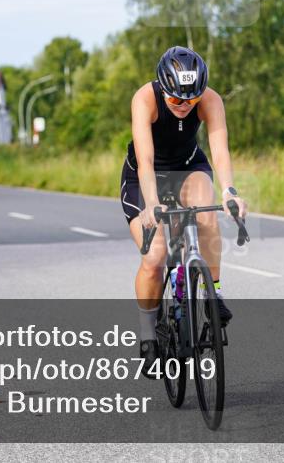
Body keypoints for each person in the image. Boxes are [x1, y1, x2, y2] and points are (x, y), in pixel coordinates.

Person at [120, 46, 247, 375]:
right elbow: (145, 160)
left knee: (206, 213)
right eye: (176, 99)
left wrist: (231, 191)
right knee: (155, 259)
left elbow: (220, 151)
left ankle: (213, 295)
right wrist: (151, 203)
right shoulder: (145, 98)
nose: (183, 105)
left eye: (190, 100)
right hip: (145, 177)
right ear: (163, 88)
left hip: (189, 167)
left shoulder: (210, 99)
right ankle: (148, 336)